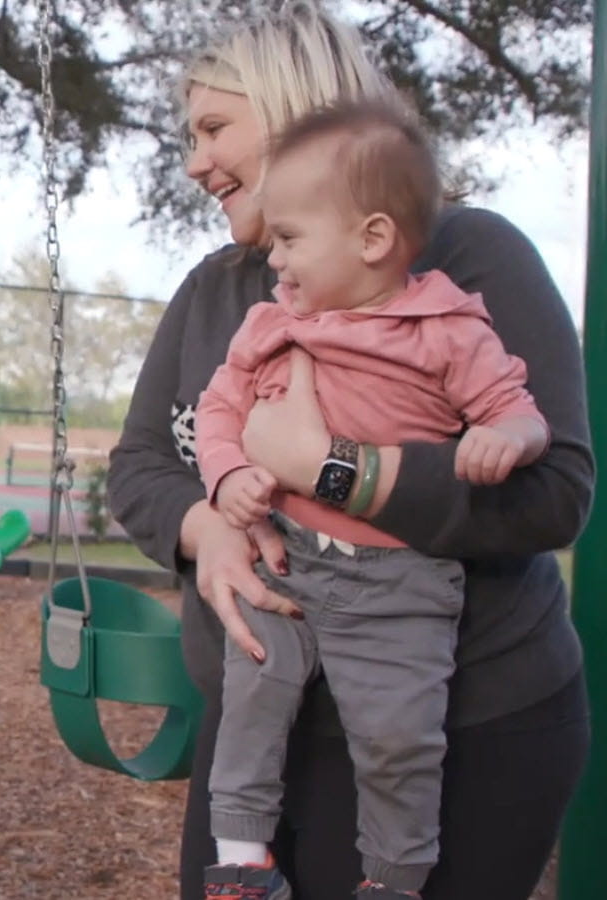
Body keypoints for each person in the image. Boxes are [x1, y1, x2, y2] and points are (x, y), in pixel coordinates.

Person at [105, 3, 593, 899]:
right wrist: (205, 526)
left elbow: (554, 491)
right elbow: (139, 465)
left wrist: (335, 469)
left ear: (296, 109)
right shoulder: (219, 291)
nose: (195, 161)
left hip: (457, 725)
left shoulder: (463, 261)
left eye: (215, 128)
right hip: (259, 717)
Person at [192, 99, 550, 900]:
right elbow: (220, 409)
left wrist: (506, 441)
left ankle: (392, 880)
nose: (274, 260)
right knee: (253, 692)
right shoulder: (270, 322)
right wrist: (224, 477)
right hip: (285, 563)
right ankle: (242, 864)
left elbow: (519, 414)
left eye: (289, 240)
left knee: (398, 738)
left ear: (373, 239)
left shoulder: (447, 329)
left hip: (399, 583)